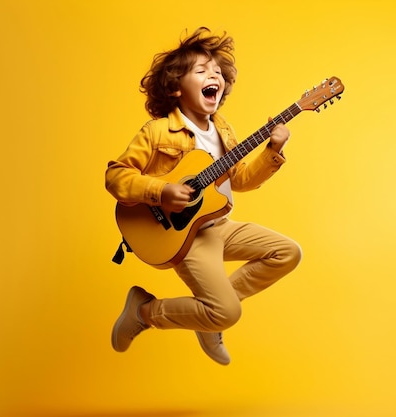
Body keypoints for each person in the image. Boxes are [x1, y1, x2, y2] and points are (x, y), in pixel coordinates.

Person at [104, 27, 302, 365]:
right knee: (227, 312)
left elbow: (239, 180)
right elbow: (116, 176)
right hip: (183, 235)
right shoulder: (157, 131)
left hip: (218, 223)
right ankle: (145, 311)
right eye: (201, 70)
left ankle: (206, 317)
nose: (214, 75)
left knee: (287, 253)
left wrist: (273, 149)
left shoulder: (223, 130)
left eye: (217, 71)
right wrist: (161, 192)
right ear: (176, 88)